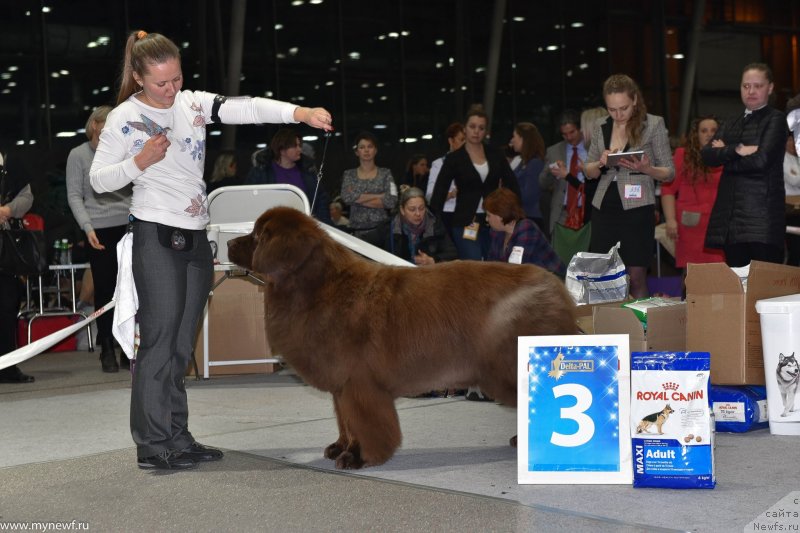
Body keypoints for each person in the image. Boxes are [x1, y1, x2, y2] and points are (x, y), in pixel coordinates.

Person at [89, 30, 332, 470]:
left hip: (196, 234)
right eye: (161, 83)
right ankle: (152, 442)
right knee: (159, 343)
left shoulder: (192, 103)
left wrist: (300, 112)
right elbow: (99, 179)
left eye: (177, 79)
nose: (171, 90)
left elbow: (246, 107)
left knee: (182, 345)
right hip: (155, 234)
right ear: (139, 77)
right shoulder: (124, 118)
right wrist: (138, 162)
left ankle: (178, 436)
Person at [583, 74, 675, 299]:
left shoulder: (653, 124)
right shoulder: (600, 125)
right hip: (604, 207)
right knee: (604, 277)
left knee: (635, 277)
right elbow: (588, 171)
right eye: (612, 109)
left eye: (623, 108)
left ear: (634, 99)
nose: (618, 114)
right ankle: (608, 327)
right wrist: (601, 162)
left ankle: (642, 330)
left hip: (637, 208)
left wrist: (648, 169)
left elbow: (669, 172)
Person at [66, 105, 132, 373]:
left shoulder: (123, 151)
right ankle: (106, 346)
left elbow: (135, 187)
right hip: (98, 230)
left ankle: (127, 346)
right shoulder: (78, 155)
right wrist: (87, 227)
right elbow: (74, 195)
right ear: (95, 125)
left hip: (127, 226)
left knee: (129, 288)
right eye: (109, 123)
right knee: (104, 289)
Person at [701, 63, 788, 267]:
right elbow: (707, 155)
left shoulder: (776, 119)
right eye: (746, 86)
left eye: (757, 86)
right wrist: (737, 150)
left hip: (762, 221)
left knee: (763, 292)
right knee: (737, 290)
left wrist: (725, 155)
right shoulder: (731, 121)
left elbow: (761, 161)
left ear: (770, 88)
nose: (751, 91)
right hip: (730, 222)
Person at [430, 105, 520, 260]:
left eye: (481, 128)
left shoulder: (496, 154)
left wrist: (515, 214)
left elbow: (512, 184)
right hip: (465, 221)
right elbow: (439, 192)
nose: (476, 131)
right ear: (465, 129)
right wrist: (432, 223)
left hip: (495, 221)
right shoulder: (454, 158)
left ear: (485, 131)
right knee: (473, 267)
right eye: (472, 127)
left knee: (495, 266)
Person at [661, 116, 725, 277]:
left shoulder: (726, 156)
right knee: (691, 276)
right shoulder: (683, 154)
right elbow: (668, 189)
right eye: (704, 131)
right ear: (696, 134)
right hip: (690, 227)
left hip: (719, 227)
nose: (709, 134)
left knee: (719, 276)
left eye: (713, 130)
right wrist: (670, 220)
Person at [0, 152, 36, 384]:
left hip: (7, 249)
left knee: (8, 305)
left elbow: (28, 196)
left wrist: (7, 211)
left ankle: (7, 366)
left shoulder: (11, 163)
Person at [245, 128, 331, 223]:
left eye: (299, 145)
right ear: (282, 149)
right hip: (271, 228)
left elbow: (321, 200)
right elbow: (248, 200)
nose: (299, 149)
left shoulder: (308, 171)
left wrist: (323, 224)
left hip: (304, 227)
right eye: (294, 146)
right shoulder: (261, 171)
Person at [361, 187, 457, 265]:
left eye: (422, 208)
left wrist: (432, 260)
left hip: (427, 278)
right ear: (402, 210)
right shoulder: (388, 227)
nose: (418, 214)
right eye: (412, 209)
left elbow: (452, 252)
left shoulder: (435, 225)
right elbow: (362, 245)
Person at [484, 188, 565, 276]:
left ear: (501, 215)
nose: (486, 219)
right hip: (528, 281)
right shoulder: (497, 232)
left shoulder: (526, 228)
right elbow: (491, 265)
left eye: (488, 215)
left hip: (552, 280)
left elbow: (517, 271)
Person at [339, 132, 398, 236]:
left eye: (370, 146)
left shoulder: (386, 173)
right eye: (362, 147)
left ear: (375, 150)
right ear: (357, 152)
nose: (366, 150)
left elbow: (392, 201)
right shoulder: (348, 174)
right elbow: (346, 198)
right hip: (356, 231)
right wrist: (379, 196)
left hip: (381, 231)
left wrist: (356, 199)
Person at [540, 110, 587, 239]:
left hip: (586, 211)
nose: (569, 137)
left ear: (580, 129)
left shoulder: (592, 148)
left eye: (572, 132)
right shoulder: (553, 151)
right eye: (564, 134)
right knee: (560, 255)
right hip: (561, 213)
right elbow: (542, 183)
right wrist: (551, 171)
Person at [425, 122, 465, 234]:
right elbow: (430, 196)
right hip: (448, 215)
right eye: (461, 140)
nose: (465, 144)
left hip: (471, 216)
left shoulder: (475, 164)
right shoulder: (439, 164)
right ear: (451, 141)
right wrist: (452, 194)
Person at [509, 122, 545, 230]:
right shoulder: (523, 162)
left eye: (514, 136)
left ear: (523, 139)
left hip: (530, 219)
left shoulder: (535, 163)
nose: (512, 140)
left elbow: (529, 196)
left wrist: (508, 187)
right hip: (522, 217)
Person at [784, 135, 800, 266]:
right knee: (795, 249)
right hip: (789, 210)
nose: (793, 143)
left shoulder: (796, 158)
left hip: (797, 208)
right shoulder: (782, 158)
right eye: (790, 140)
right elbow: (793, 180)